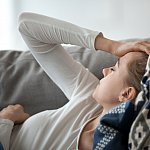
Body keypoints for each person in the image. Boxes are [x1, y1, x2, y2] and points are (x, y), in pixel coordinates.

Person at [0, 12, 149, 150]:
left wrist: (5, 121)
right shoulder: (88, 95)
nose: (104, 71)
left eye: (114, 69)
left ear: (126, 94)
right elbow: (27, 26)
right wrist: (112, 46)